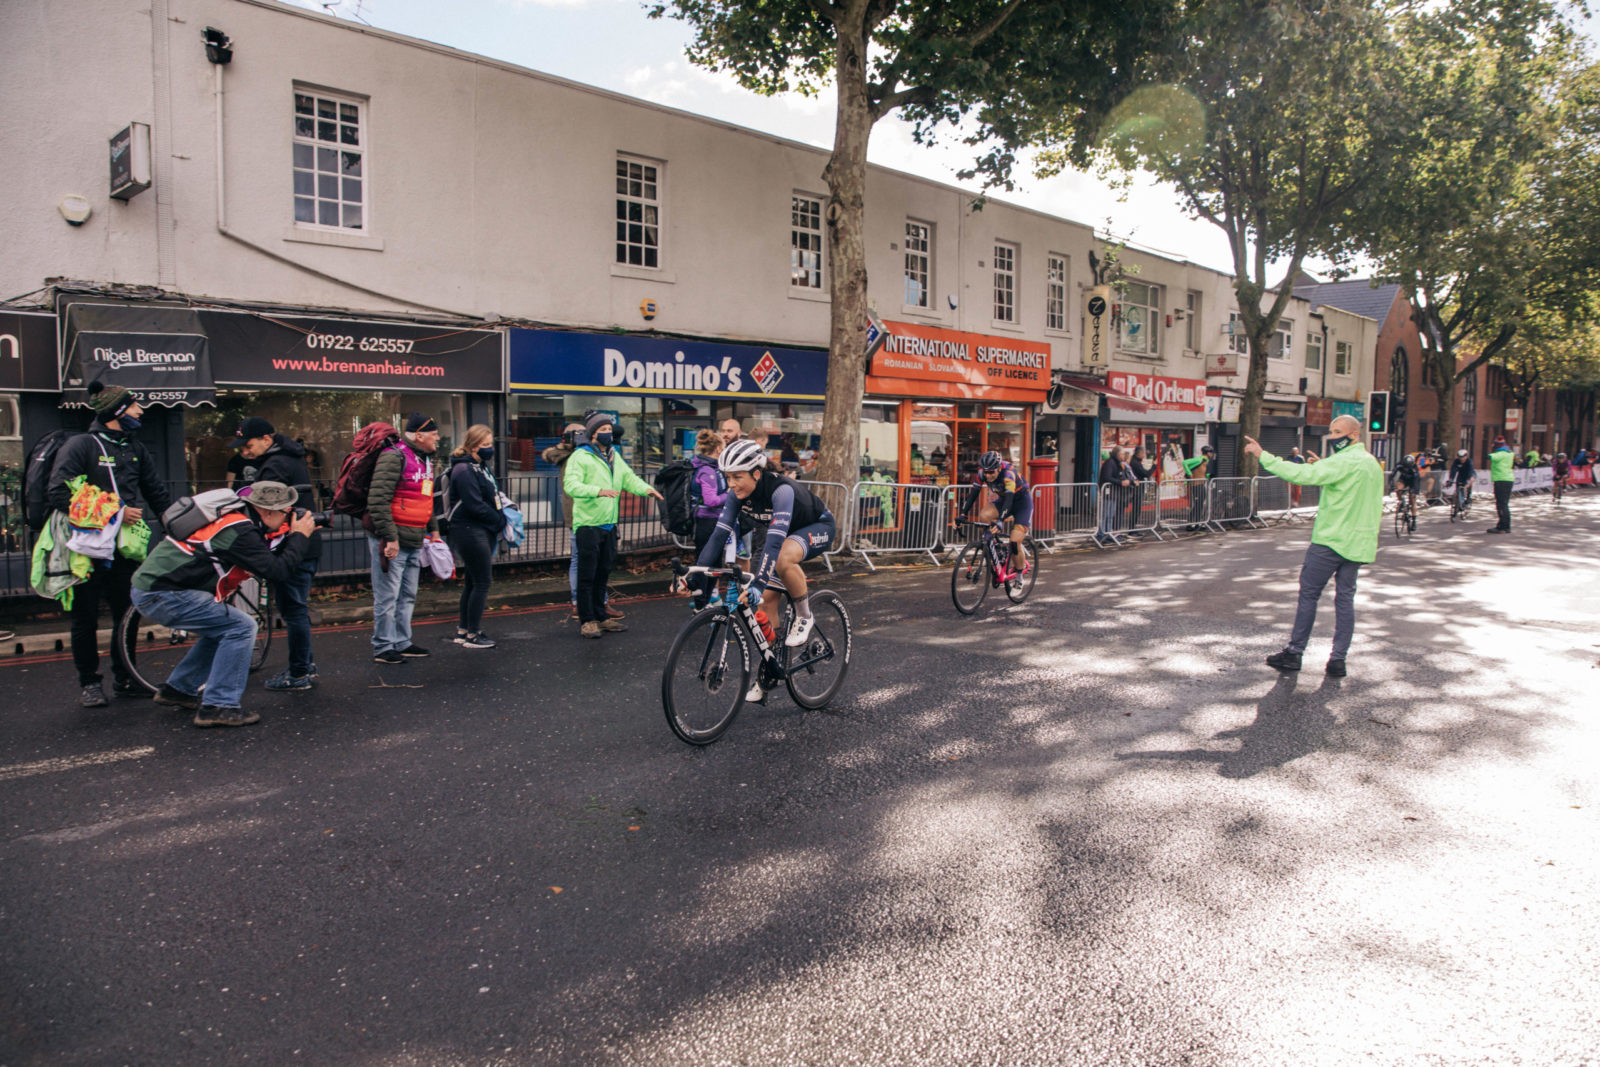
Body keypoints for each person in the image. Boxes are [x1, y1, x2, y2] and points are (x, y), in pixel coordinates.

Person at [130, 482, 317, 727]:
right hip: (164, 593)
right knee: (242, 627)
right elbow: (277, 571)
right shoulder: (239, 531)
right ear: (268, 512)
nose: (289, 518)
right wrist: (300, 537)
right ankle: (219, 705)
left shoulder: (234, 517)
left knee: (222, 629)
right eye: (286, 513)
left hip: (155, 588)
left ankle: (179, 689)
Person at [46, 381, 173, 708]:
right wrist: (114, 512)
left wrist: (179, 526)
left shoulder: (135, 447)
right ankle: (89, 683)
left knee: (127, 614)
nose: (140, 411)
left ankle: (126, 677)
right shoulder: (80, 446)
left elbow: (156, 493)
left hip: (125, 550)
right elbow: (58, 493)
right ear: (117, 411)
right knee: (84, 617)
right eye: (134, 406)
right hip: (85, 550)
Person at [694, 439, 836, 703]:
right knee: (767, 603)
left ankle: (805, 616)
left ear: (756, 474)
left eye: (738, 477)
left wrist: (758, 582)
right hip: (781, 537)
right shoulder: (737, 495)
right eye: (728, 477)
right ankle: (770, 670)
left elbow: (773, 541)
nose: (732, 483)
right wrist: (695, 576)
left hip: (818, 526)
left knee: (782, 561)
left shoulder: (780, 490)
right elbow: (718, 536)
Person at [1246, 414, 1383, 677]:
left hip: (1331, 540)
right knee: (1345, 600)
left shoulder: (1342, 461)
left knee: (1309, 595)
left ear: (1354, 434)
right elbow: (1352, 490)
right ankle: (1338, 660)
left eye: (1338, 431)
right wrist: (1325, 466)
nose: (1333, 437)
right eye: (1331, 432)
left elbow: (1301, 474)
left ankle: (1295, 653)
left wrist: (1263, 454)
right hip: (1358, 544)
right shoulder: (1371, 464)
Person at [231, 416, 321, 690]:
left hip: (290, 545)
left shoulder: (275, 466)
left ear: (266, 440)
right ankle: (306, 666)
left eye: (248, 445)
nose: (244, 452)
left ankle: (298, 674)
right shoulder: (289, 459)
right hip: (305, 543)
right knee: (296, 609)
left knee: (292, 611)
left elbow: (266, 508)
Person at [564, 412, 663, 639]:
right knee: (587, 575)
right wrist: (598, 492)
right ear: (593, 433)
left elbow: (628, 478)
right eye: (603, 430)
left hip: (609, 523)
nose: (608, 434)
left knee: (603, 573)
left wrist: (646, 489)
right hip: (588, 524)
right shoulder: (580, 456)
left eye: (610, 429)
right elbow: (571, 485)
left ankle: (601, 616)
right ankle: (587, 620)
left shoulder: (613, 455)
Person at [367, 412, 441, 664]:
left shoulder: (426, 460)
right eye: (433, 434)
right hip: (394, 539)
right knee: (388, 596)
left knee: (407, 594)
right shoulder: (393, 456)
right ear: (418, 435)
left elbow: (426, 497)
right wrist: (390, 537)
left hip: (415, 537)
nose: (438, 438)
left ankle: (402, 642)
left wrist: (434, 531)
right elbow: (378, 500)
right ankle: (383, 646)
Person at [445, 424, 505, 649]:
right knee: (482, 582)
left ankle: (464, 629)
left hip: (478, 529)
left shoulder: (479, 467)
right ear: (472, 446)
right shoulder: (465, 470)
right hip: (470, 530)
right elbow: (474, 504)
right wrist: (498, 520)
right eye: (485, 445)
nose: (490, 449)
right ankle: (473, 634)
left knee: (472, 582)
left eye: (491, 444)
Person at [957, 450, 1033, 574]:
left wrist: (1000, 521)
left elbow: (1010, 499)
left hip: (1021, 504)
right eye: (986, 472)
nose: (988, 476)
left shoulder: (1008, 473)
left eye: (991, 472)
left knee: (1014, 542)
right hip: (1004, 501)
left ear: (998, 468)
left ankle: (1019, 576)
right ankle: (994, 548)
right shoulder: (982, 473)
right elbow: (973, 494)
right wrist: (962, 514)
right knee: (984, 515)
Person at [689, 429, 730, 601]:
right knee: (707, 564)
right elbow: (711, 500)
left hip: (711, 521)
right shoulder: (708, 471)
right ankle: (701, 601)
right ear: (719, 448)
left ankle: (705, 599)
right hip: (707, 521)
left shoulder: (712, 468)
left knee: (713, 564)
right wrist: (730, 494)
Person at [1487, 436, 1515, 534]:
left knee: (1501, 504)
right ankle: (1504, 525)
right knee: (1504, 503)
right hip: (1509, 479)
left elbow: (1489, 457)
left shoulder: (1499, 454)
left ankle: (1503, 527)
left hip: (1501, 480)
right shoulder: (1510, 453)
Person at [1128, 446, 1153, 531]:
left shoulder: (1136, 462)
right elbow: (1146, 474)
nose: (1144, 455)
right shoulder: (1135, 463)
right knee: (1136, 508)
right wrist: (1154, 467)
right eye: (1144, 453)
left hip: (1137, 487)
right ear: (1139, 453)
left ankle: (1133, 528)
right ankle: (1131, 529)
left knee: (1137, 508)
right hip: (1136, 488)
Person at [1393, 453, 1422, 525]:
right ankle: (1401, 503)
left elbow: (1416, 481)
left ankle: (1414, 519)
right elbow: (1392, 474)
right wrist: (1391, 485)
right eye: (1405, 467)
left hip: (1413, 481)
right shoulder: (1400, 464)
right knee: (1398, 488)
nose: (1406, 469)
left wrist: (1415, 491)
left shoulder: (1415, 469)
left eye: (1408, 468)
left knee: (1412, 499)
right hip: (1403, 479)